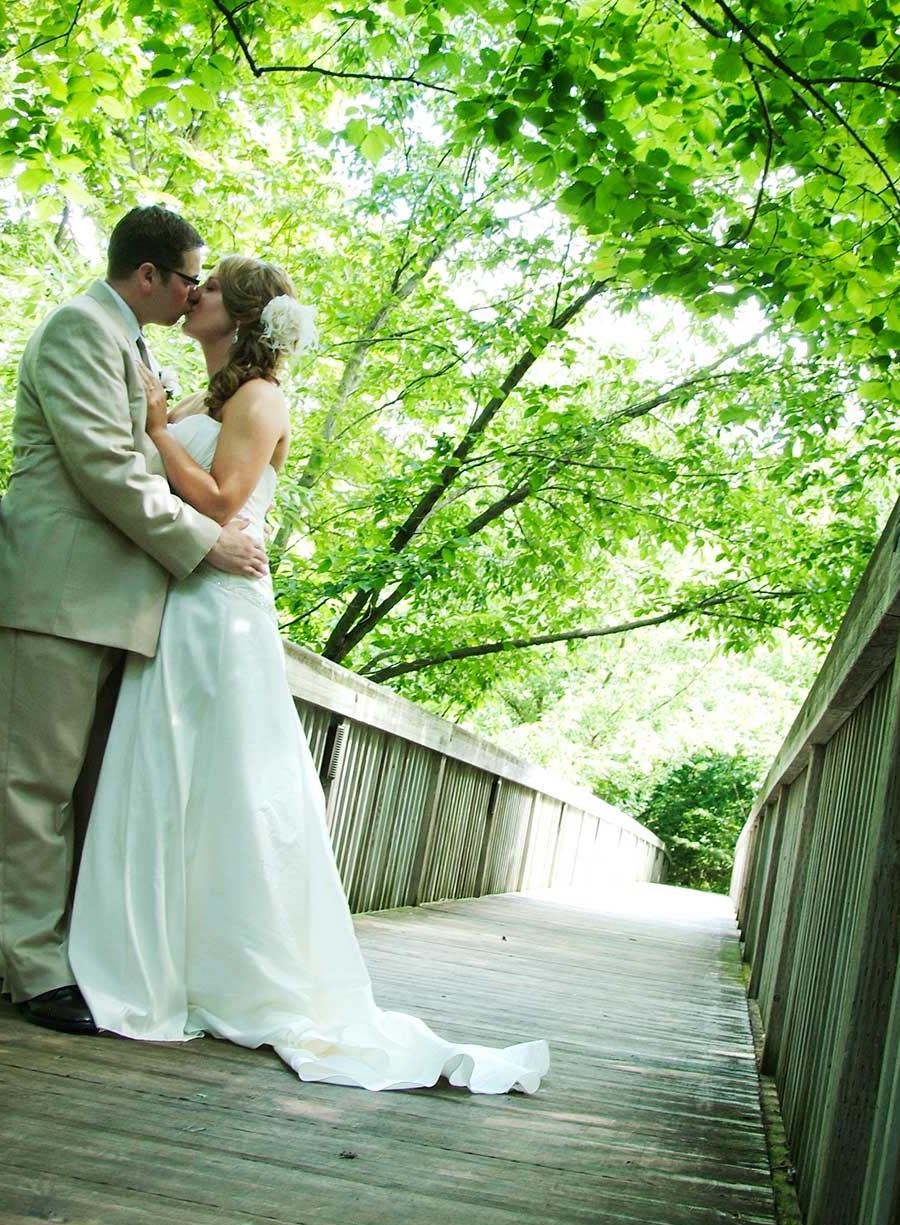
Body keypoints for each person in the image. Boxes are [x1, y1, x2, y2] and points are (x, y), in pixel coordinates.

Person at [65, 255, 548, 1095]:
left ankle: (224, 968)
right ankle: (155, 956)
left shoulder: (259, 400)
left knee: (219, 784)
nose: (194, 294)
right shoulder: (201, 399)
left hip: (220, 609)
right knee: (164, 774)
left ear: (240, 318)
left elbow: (220, 500)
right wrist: (156, 424)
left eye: (209, 289)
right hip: (178, 599)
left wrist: (153, 432)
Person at [0, 207, 270, 1035]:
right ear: (148, 275)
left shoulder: (133, 344)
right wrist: (204, 542)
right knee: (31, 782)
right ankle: (33, 967)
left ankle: (59, 953)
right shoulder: (79, 331)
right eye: (186, 279)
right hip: (57, 591)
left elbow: (146, 453)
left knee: (81, 788)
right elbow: (104, 465)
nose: (190, 296)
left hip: (117, 601)